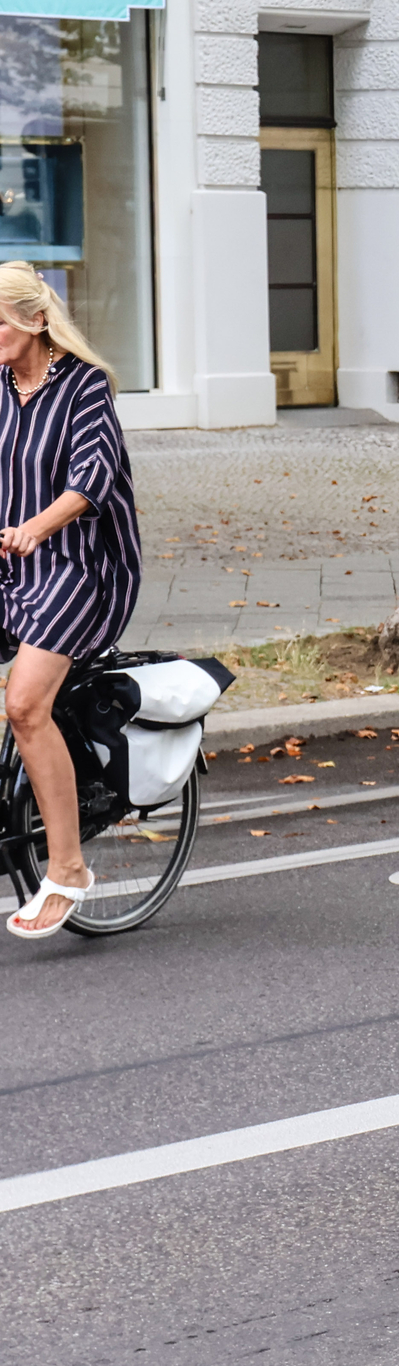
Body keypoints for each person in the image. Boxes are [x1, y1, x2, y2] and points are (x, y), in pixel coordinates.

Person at [0, 263, 142, 938]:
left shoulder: (85, 386)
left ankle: (68, 868)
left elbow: (90, 481)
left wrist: (36, 526)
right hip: (12, 562)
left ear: (34, 320)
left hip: (80, 565)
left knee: (26, 703)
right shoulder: (1, 386)